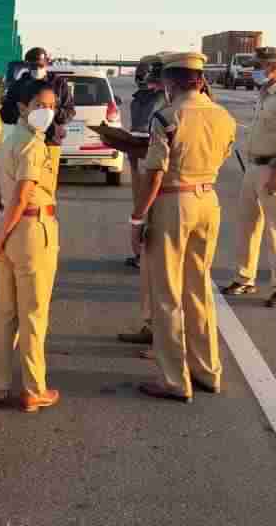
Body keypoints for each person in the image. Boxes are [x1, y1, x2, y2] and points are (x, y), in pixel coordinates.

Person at [130, 52, 236, 401]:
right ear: (200, 79)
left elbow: (155, 172)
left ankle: (175, 380)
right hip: (208, 200)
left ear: (171, 82)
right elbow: (222, 155)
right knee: (199, 288)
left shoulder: (167, 116)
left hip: (174, 202)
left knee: (167, 295)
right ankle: (207, 371)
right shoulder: (224, 117)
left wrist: (138, 217)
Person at [0, 78, 61, 413]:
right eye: (40, 106)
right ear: (22, 108)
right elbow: (22, 195)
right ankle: (33, 389)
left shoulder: (8, 137)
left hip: (6, 228)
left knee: (5, 311)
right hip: (30, 228)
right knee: (33, 314)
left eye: (52, 107)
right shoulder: (31, 143)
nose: (46, 113)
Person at [222, 46, 276, 308]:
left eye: (259, 66)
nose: (255, 70)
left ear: (275, 67)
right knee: (247, 224)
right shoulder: (264, 94)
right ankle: (245, 277)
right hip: (253, 167)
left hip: (273, 169)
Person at [116, 53, 168, 347]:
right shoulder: (141, 98)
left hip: (164, 179)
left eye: (148, 74)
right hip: (142, 163)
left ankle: (167, 341)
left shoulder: (171, 106)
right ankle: (152, 327)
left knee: (165, 268)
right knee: (151, 259)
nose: (144, 78)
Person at [0, 47, 76, 192]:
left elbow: (70, 111)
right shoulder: (18, 85)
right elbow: (5, 114)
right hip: (24, 143)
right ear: (27, 66)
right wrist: (24, 113)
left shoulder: (58, 84)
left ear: (47, 63)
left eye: (40, 65)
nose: (37, 69)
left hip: (50, 142)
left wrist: (50, 112)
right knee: (22, 186)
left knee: (47, 186)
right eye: (33, 66)